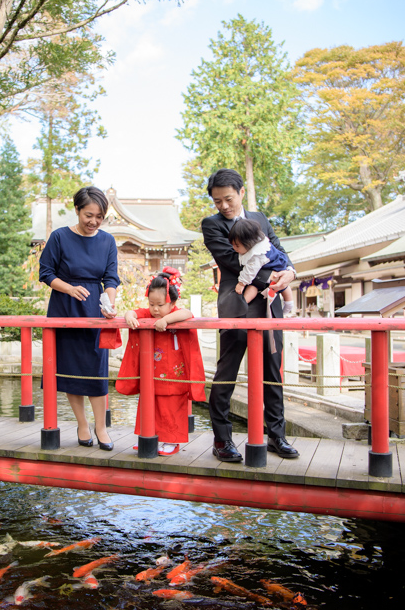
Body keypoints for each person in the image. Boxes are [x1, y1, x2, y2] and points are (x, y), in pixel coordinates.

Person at [201, 168, 299, 463]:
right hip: (236, 303)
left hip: (269, 305)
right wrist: (275, 277)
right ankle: (221, 438)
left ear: (241, 193)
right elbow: (232, 262)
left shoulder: (260, 219)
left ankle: (276, 435)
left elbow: (279, 250)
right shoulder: (212, 225)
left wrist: (290, 273)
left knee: (273, 369)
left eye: (228, 199)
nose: (224, 206)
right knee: (227, 370)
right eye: (218, 202)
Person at [39, 186, 120, 451]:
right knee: (71, 370)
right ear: (77, 210)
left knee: (96, 369)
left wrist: (109, 302)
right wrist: (69, 288)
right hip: (65, 307)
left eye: (99, 216)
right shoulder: (60, 237)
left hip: (94, 310)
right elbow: (46, 273)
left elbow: (110, 277)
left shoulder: (107, 241)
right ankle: (82, 424)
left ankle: (101, 427)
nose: (94, 221)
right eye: (89, 215)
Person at [116, 268, 205, 456]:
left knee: (172, 407)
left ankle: (171, 440)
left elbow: (187, 313)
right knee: (150, 404)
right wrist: (130, 317)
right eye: (151, 304)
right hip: (152, 374)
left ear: (172, 302)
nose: (155, 309)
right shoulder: (148, 315)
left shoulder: (176, 314)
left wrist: (166, 319)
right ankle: (149, 437)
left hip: (174, 374)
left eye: (160, 304)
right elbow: (132, 311)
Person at [228, 218, 295, 316]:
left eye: (237, 245)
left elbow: (250, 271)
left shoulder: (257, 254)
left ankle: (289, 304)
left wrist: (241, 283)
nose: (234, 248)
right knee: (255, 285)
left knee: (282, 285)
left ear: (249, 243)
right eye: (232, 245)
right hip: (263, 272)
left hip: (276, 267)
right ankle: (243, 304)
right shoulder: (251, 245)